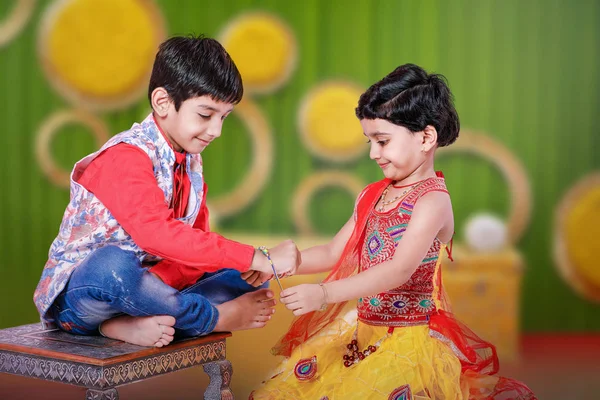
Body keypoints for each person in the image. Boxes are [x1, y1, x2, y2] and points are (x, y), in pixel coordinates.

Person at [250, 64, 536, 399]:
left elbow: (399, 269)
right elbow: (333, 252)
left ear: (426, 137)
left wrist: (325, 294)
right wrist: (278, 262)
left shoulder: (432, 200)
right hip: (361, 329)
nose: (373, 153)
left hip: (408, 342)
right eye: (369, 141)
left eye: (383, 141)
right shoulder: (373, 194)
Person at [33, 35, 299, 348]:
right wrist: (256, 255)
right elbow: (157, 235)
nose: (216, 130)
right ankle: (209, 318)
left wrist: (253, 263)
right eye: (205, 115)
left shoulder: (190, 164)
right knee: (112, 266)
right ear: (162, 102)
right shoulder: (126, 156)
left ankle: (131, 321)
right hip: (87, 295)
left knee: (247, 276)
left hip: (145, 289)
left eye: (224, 117)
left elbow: (194, 247)